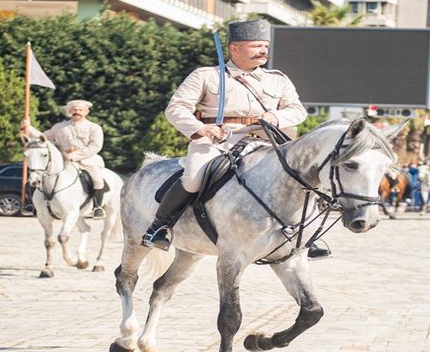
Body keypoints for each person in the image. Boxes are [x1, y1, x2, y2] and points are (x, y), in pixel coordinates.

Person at [141, 19, 330, 259]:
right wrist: (200, 129)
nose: (263, 51)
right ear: (235, 48)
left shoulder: (277, 79)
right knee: (193, 179)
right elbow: (176, 108)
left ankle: (307, 235)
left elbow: (298, 110)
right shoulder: (207, 76)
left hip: (267, 141)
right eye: (256, 46)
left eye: (265, 46)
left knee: (300, 177)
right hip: (219, 140)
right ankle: (160, 226)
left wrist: (275, 116)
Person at [21, 99, 107, 219]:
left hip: (87, 161)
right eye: (74, 110)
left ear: (86, 112)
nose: (77, 112)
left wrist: (74, 155)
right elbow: (43, 138)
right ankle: (33, 205)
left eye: (80, 110)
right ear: (70, 111)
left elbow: (95, 146)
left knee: (97, 179)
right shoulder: (59, 127)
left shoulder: (94, 127)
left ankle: (97, 207)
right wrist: (28, 128)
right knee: (36, 178)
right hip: (63, 161)